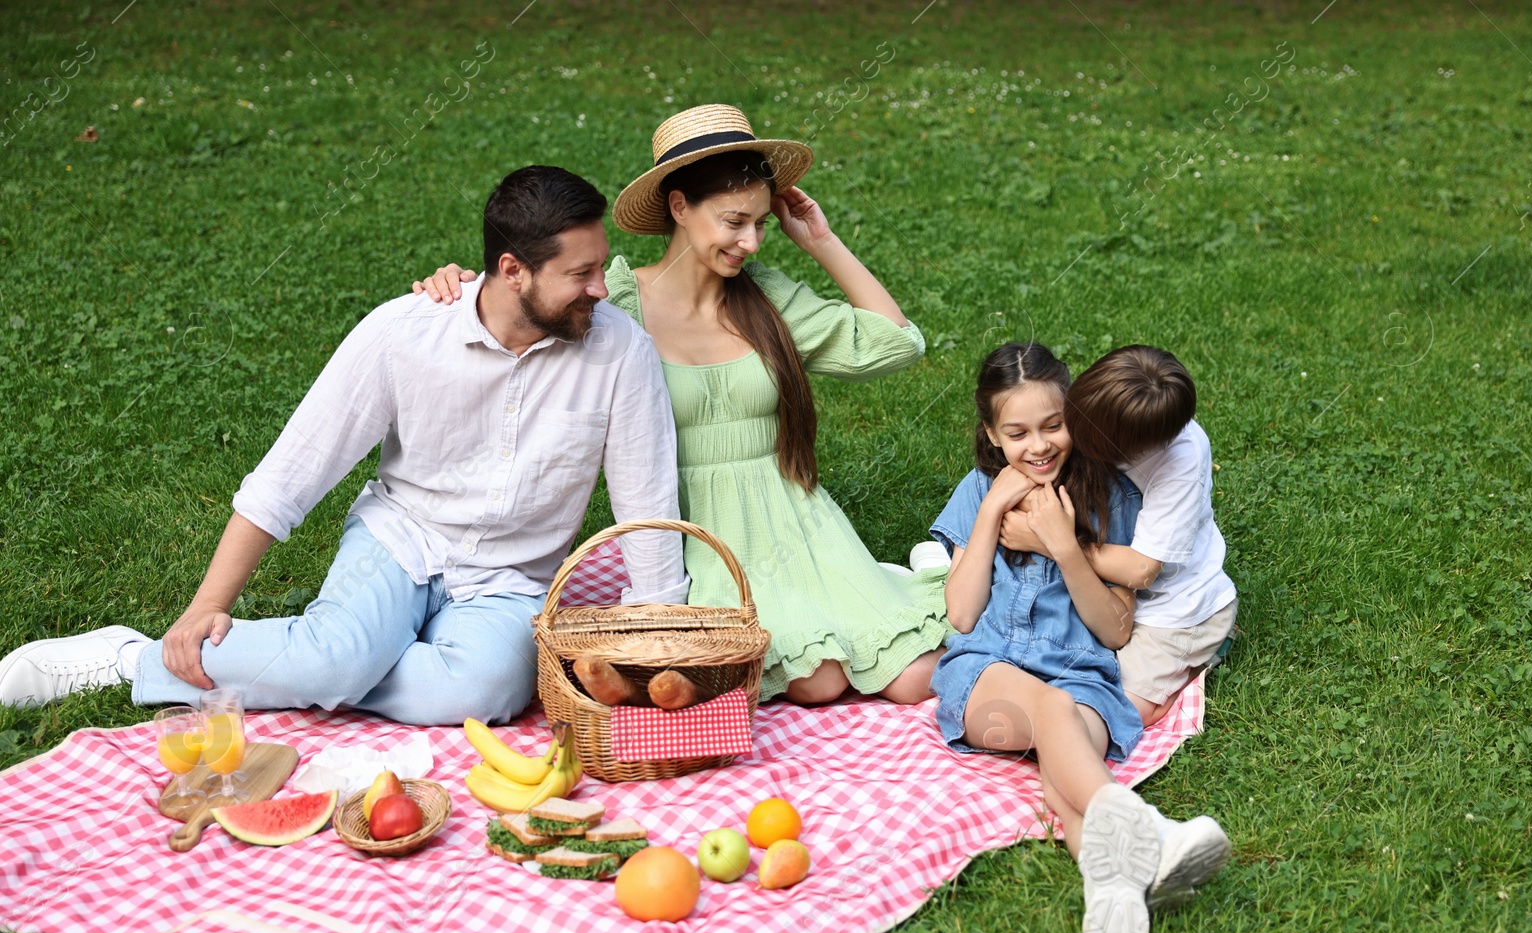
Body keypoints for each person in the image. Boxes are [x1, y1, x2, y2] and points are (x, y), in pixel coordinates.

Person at [0, 166, 686, 725]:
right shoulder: (405, 332)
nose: (602, 287)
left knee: (479, 695)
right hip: (400, 540)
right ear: (513, 270)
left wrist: (666, 645)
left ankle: (333, 659)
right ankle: (133, 657)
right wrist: (208, 603)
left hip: (511, 581)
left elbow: (647, 502)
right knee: (338, 659)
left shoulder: (620, 352)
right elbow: (292, 472)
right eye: (581, 273)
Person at [414, 104, 948, 706]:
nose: (750, 241)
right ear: (678, 208)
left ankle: (905, 578)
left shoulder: (764, 297)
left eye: (761, 223)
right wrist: (462, 287)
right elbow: (519, 311)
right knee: (817, 680)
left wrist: (821, 242)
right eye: (733, 221)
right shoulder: (612, 300)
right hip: (696, 535)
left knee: (914, 676)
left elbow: (894, 344)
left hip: (797, 519)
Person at [930, 341, 1229, 933]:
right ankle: (1148, 830)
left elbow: (1117, 632)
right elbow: (961, 613)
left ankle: (1112, 888)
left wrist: (1063, 546)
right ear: (992, 434)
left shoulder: (1112, 496)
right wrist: (990, 512)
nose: (1037, 445)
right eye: (1016, 433)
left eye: (1053, 425)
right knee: (1047, 710)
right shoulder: (977, 489)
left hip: (1084, 678)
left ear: (1076, 417)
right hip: (989, 679)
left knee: (1062, 737)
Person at [1004, 345, 1237, 727]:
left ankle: (1193, 664)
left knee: (1114, 710)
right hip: (1108, 594)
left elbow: (1142, 571)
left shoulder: (1180, 459)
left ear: (1131, 448)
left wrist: (1046, 541)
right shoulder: (1108, 405)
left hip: (1173, 611)